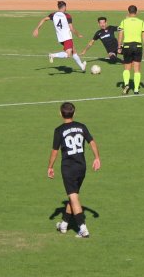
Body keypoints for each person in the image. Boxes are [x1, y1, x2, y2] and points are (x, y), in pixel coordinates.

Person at [47, 102, 101, 238]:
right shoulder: (81, 127)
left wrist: (50, 167)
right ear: (74, 113)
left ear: (60, 114)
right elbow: (92, 142)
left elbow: (54, 151)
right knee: (74, 194)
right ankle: (64, 225)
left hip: (68, 168)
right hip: (81, 166)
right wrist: (97, 158)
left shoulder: (59, 130)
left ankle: (83, 228)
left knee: (73, 196)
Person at [33, 1, 87, 72]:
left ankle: (82, 66)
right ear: (64, 7)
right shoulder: (67, 16)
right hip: (67, 37)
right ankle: (53, 55)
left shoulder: (53, 14)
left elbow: (44, 19)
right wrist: (78, 34)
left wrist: (37, 29)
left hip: (61, 38)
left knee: (74, 51)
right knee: (68, 54)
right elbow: (71, 28)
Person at [117, 5, 144, 95]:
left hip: (127, 46)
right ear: (136, 12)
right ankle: (136, 89)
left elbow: (120, 35)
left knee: (127, 67)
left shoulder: (124, 22)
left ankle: (126, 84)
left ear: (128, 12)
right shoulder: (141, 22)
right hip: (138, 46)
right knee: (137, 68)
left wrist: (119, 47)